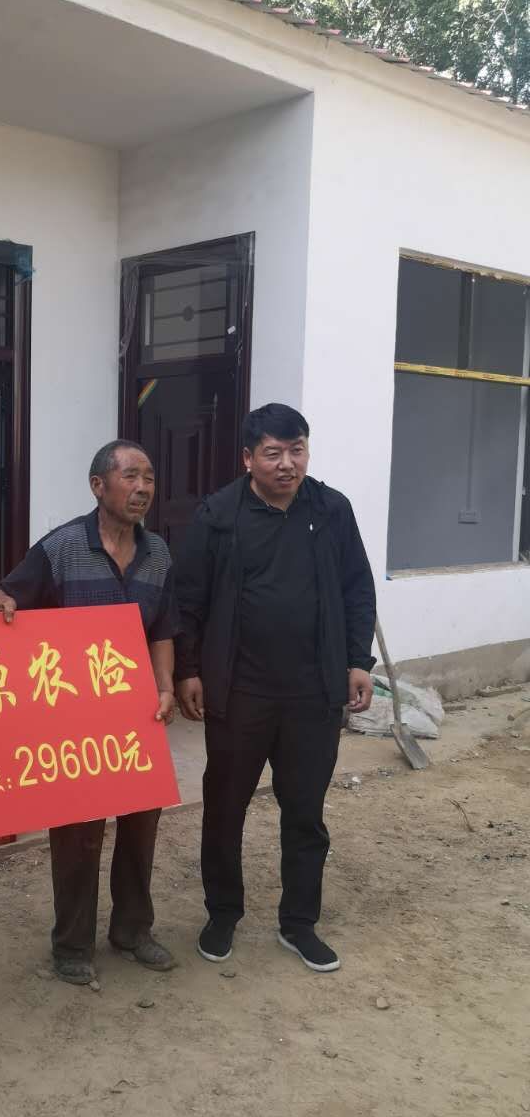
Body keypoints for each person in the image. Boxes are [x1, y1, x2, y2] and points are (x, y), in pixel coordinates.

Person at [174, 403, 375, 973]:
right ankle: (222, 914)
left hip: (314, 692)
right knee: (225, 807)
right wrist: (189, 670)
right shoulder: (218, 515)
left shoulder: (331, 510)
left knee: (305, 811)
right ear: (248, 458)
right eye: (273, 453)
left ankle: (299, 923)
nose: (287, 464)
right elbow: (187, 599)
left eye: (296, 450)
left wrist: (357, 661)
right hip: (240, 692)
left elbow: (357, 588)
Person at [0, 441, 178, 987]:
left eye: (149, 478)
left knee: (141, 826)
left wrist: (165, 686)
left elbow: (164, 629)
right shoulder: (62, 547)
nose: (142, 488)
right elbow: (3, 595)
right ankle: (72, 944)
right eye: (130, 476)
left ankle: (132, 931)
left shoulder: (159, 553)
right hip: (75, 718)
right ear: (98, 486)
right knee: (77, 833)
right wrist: (2, 607)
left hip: (137, 714)